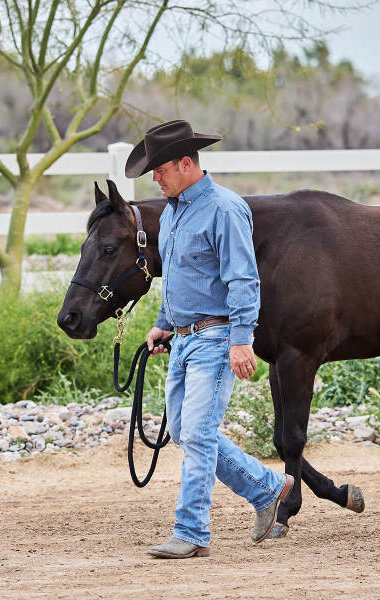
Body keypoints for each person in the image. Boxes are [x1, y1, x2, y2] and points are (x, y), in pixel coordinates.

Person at [125, 120, 293, 559]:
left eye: (159, 170)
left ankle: (191, 531)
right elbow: (179, 277)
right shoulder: (175, 211)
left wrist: (242, 340)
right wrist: (163, 322)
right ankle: (267, 488)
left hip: (217, 339)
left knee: (197, 434)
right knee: (183, 430)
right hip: (182, 339)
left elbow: (243, 279)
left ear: (185, 163)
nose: (155, 179)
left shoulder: (225, 209)